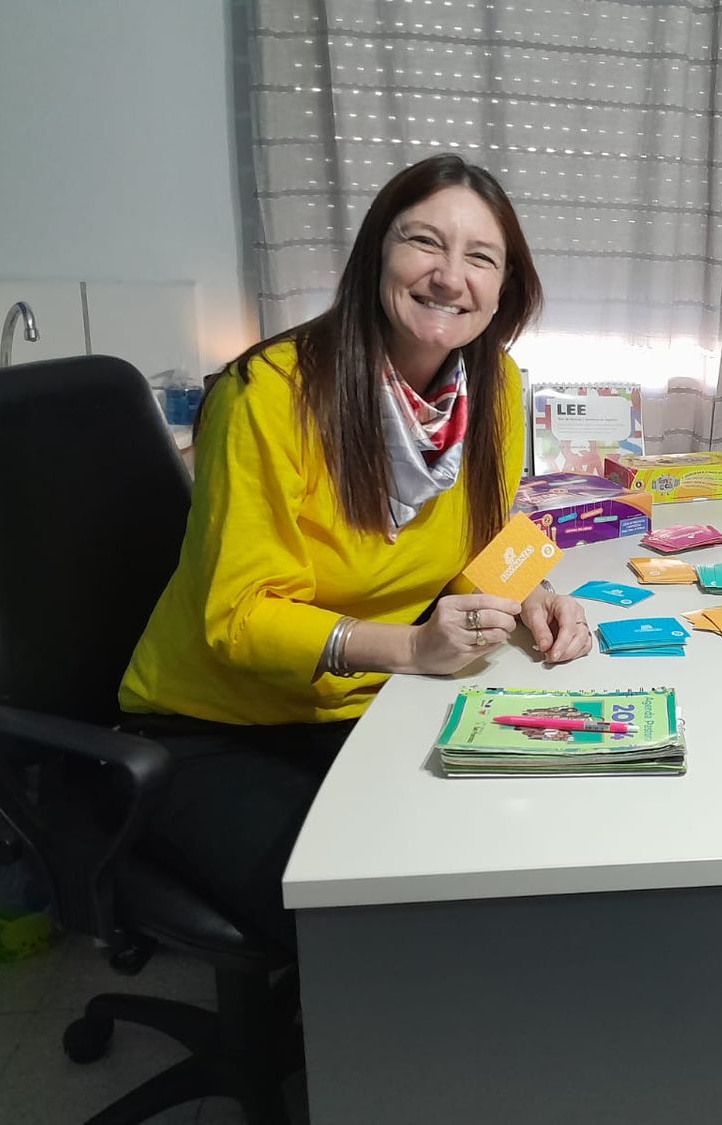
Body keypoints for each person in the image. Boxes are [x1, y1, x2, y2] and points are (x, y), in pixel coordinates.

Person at [117, 153, 592, 950]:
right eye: (424, 244)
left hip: (373, 699)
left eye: (481, 257)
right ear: (377, 254)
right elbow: (238, 618)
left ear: (506, 289)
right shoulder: (267, 394)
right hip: (215, 726)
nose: (449, 277)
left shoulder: (496, 387)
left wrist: (529, 594)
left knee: (507, 848)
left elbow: (481, 544)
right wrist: (410, 645)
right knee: (362, 913)